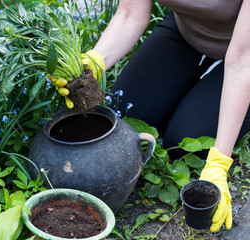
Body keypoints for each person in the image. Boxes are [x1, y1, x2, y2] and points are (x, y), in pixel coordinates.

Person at [55, 0, 250, 233]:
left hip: (245, 54)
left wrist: (219, 163)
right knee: (127, 115)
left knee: (184, 143)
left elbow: (242, 62)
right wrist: (95, 62)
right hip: (188, 33)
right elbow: (130, 14)